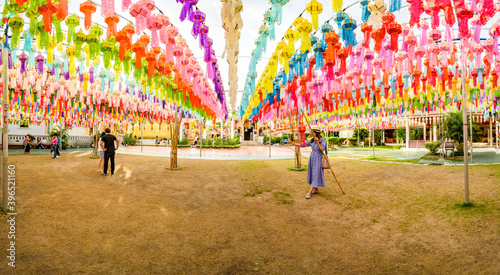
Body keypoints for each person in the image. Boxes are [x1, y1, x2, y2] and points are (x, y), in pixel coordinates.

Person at [295, 127, 327, 199]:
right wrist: (294, 144)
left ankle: (310, 191)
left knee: (316, 173)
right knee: (312, 172)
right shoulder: (312, 140)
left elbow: (323, 149)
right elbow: (304, 144)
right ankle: (316, 189)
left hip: (318, 158)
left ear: (316, 133)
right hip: (312, 158)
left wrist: (318, 141)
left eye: (313, 133)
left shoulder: (322, 140)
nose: (312, 134)